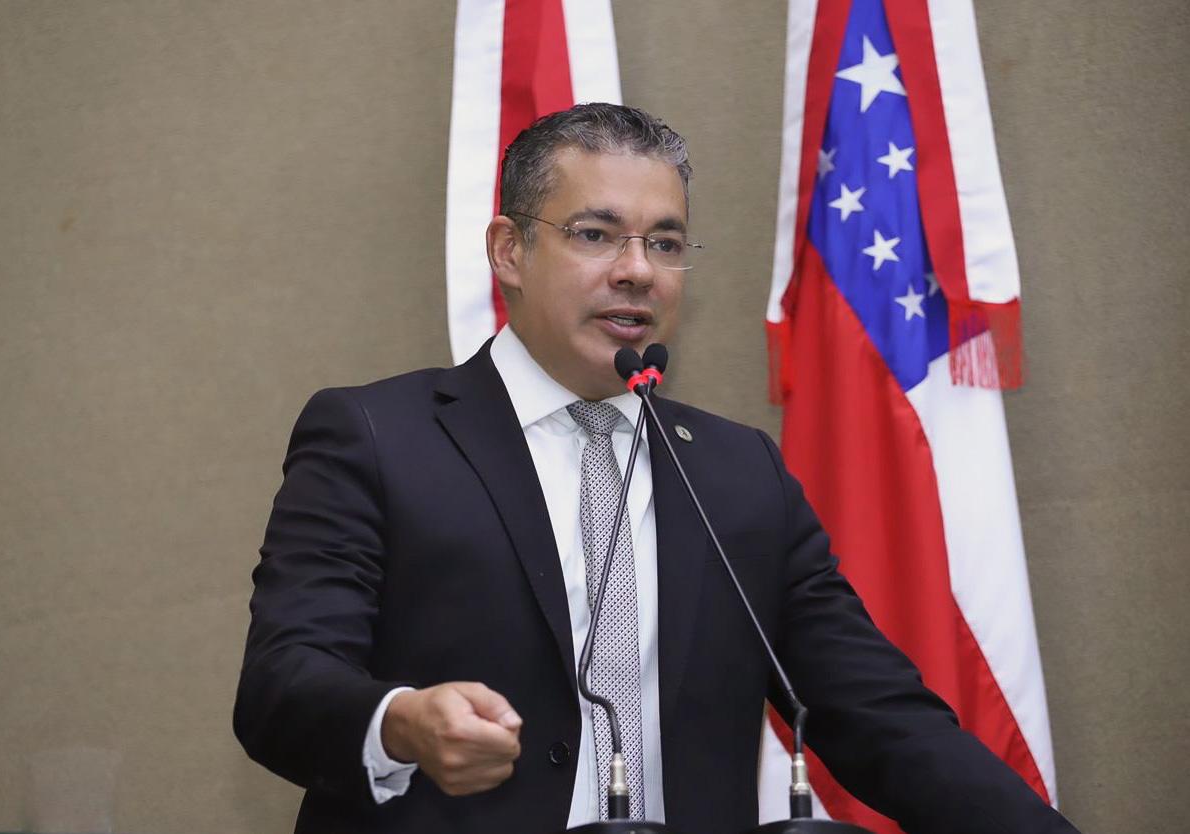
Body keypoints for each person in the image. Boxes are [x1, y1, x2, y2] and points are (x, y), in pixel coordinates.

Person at [234, 103, 1079, 834]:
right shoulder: (377, 436)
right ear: (509, 251)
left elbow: (879, 717)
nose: (637, 269)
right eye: (594, 235)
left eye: (665, 242)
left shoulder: (738, 473)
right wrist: (402, 722)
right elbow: (282, 685)